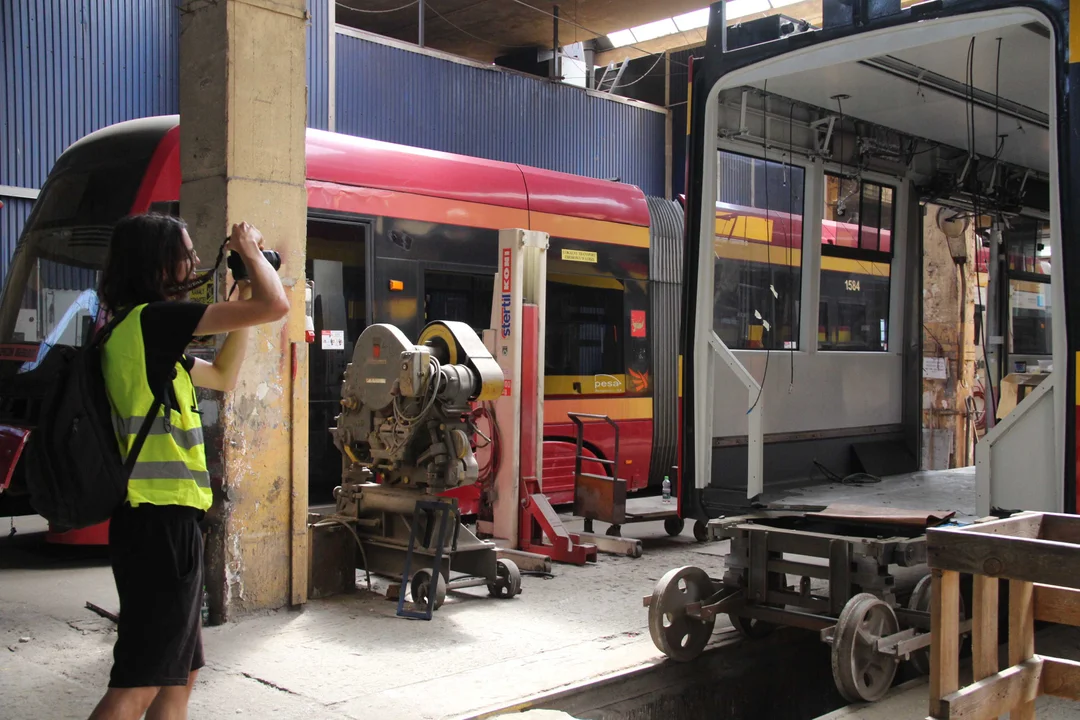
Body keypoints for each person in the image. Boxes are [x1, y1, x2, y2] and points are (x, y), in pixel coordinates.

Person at [88, 213, 290, 720]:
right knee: (139, 683)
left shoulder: (139, 335)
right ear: (158, 264)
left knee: (179, 674)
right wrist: (247, 249)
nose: (195, 262)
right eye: (186, 253)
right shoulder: (152, 321)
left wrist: (241, 294)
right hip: (157, 525)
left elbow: (222, 375)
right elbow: (277, 305)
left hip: (164, 525)